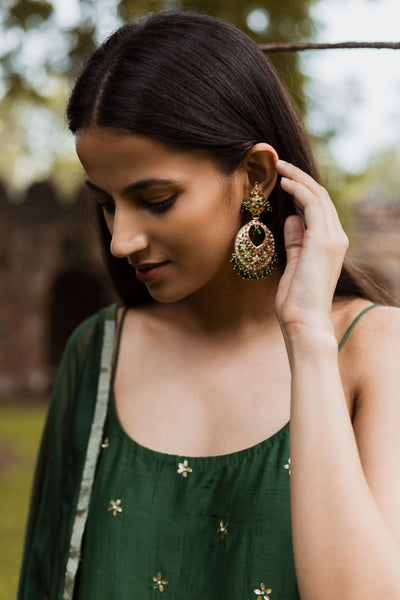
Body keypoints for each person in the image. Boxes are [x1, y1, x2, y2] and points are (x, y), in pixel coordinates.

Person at [18, 10, 400, 600]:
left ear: (255, 175)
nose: (121, 241)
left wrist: (307, 337)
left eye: (156, 199)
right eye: (107, 203)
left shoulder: (376, 350)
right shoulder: (97, 352)